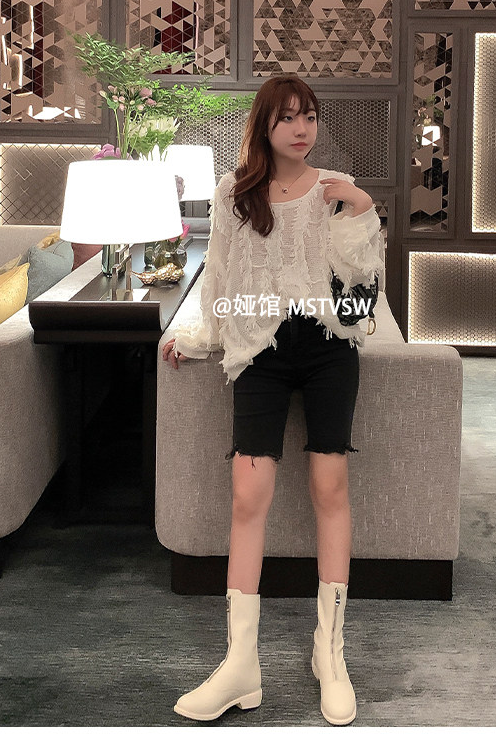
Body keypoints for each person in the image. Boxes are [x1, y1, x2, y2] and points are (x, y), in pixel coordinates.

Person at [162, 74, 384, 726]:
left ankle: (330, 653)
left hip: (329, 348)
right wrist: (198, 337)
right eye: (287, 117)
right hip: (259, 348)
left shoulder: (336, 188)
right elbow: (220, 279)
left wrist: (362, 210)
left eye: (309, 115)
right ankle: (240, 664)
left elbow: (361, 290)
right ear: (263, 125)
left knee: (329, 486)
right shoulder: (233, 193)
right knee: (247, 494)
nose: (301, 127)